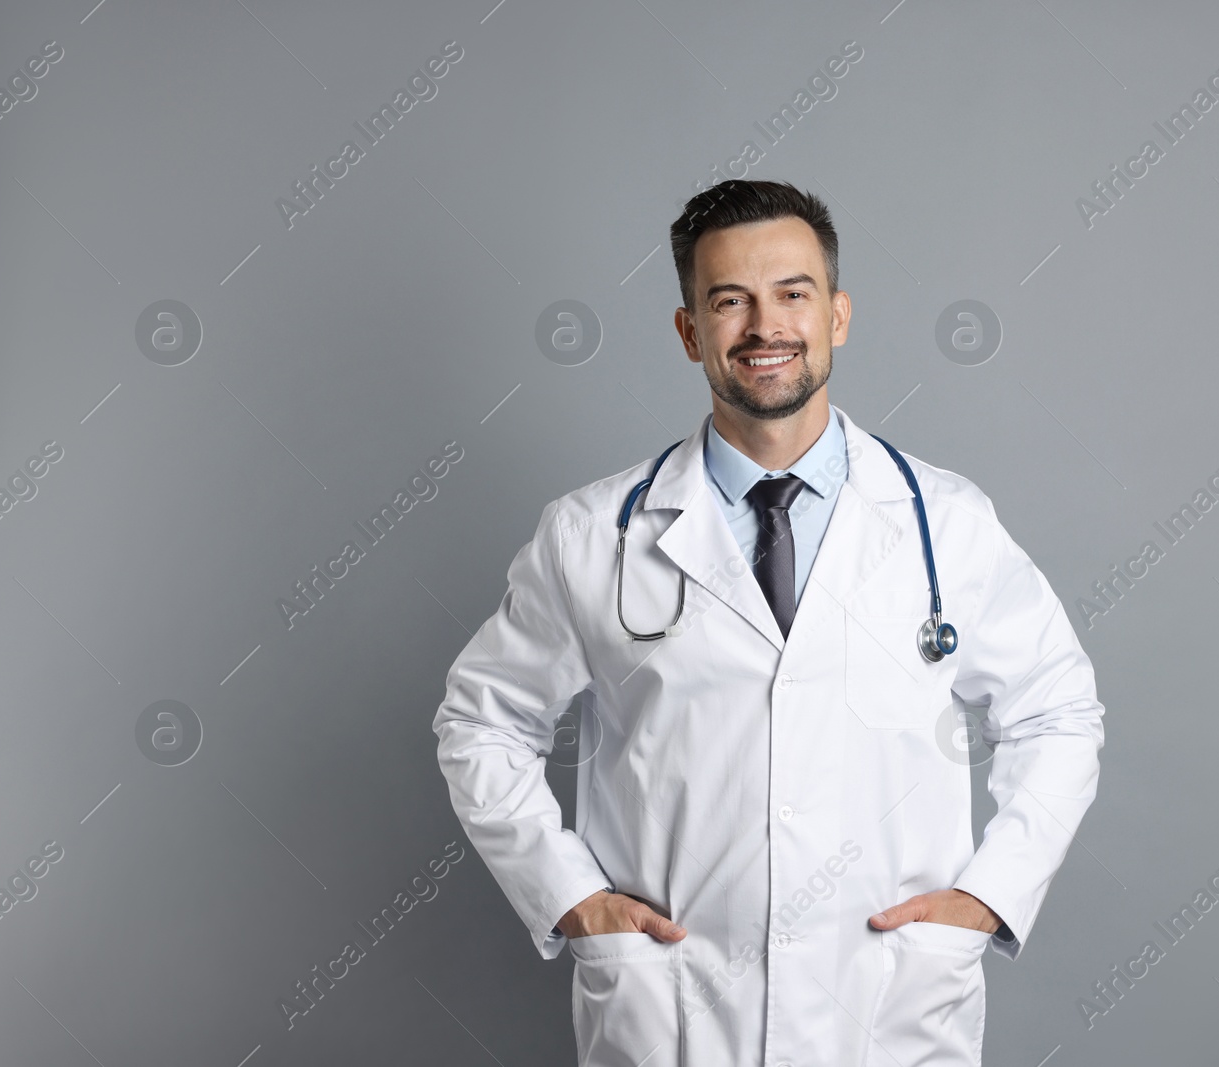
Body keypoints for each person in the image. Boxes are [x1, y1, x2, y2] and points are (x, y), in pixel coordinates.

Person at [433, 179, 1105, 1067]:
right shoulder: (592, 534)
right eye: (728, 301)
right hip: (673, 1010)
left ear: (838, 315)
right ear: (689, 332)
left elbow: (1058, 713)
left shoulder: (947, 520)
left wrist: (990, 894)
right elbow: (481, 722)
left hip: (890, 1004)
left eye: (793, 293)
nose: (765, 327)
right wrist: (571, 899)